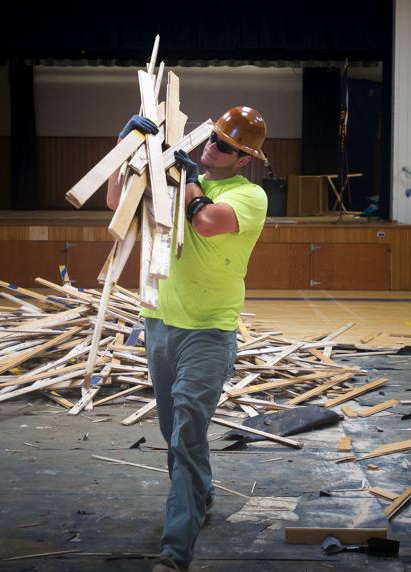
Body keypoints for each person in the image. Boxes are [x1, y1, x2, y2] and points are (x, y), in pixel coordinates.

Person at [107, 107, 269, 572]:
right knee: (173, 434)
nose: (212, 146)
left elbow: (204, 221)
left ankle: (175, 550)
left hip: (209, 331)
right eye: (213, 138)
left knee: (185, 435)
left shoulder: (248, 195)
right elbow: (116, 203)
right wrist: (127, 152)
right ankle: (201, 492)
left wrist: (189, 177)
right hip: (159, 323)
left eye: (224, 146)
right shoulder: (170, 179)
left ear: (243, 160)